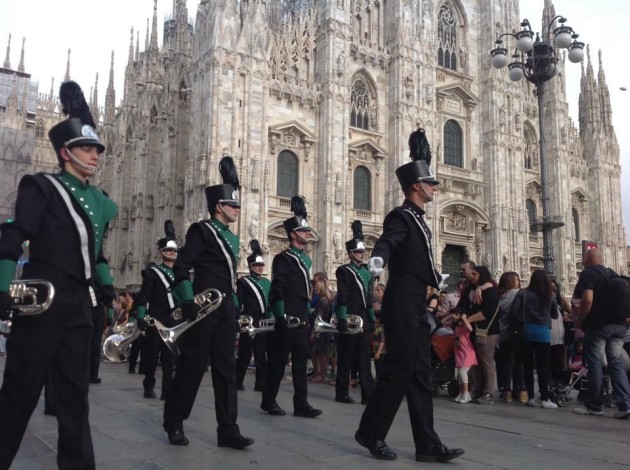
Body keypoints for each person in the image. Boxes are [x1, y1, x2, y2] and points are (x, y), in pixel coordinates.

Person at [0, 81, 117, 469]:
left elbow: (96, 251)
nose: (95, 154)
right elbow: (12, 238)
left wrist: (105, 286)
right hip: (43, 303)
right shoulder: (43, 187)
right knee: (19, 393)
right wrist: (3, 289)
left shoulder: (99, 201)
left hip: (79, 310)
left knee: (74, 400)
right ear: (66, 153)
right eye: (87, 147)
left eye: (97, 148)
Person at [355, 128, 463, 463]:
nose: (435, 187)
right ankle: (370, 433)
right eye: (431, 182)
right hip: (402, 299)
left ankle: (427, 444)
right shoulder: (401, 216)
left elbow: (419, 258)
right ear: (416, 185)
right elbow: (389, 240)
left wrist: (435, 278)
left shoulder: (421, 221)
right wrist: (378, 258)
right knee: (399, 369)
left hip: (416, 299)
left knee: (419, 375)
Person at [163, 155, 254, 449]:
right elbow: (181, 266)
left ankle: (228, 429)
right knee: (192, 365)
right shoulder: (202, 230)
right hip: (203, 310)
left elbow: (228, 274)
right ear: (219, 206)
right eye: (234, 205)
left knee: (226, 368)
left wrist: (235, 304)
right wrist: (188, 300)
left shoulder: (231, 237)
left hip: (225, 308)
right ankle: (174, 421)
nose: (238, 210)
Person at [261, 196, 323, 419]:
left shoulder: (304, 260)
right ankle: (268, 400)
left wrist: (308, 314)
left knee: (299, 364)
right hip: (287, 317)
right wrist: (279, 315)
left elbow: (304, 292)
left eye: (307, 232)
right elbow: (278, 289)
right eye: (303, 231)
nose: (307, 234)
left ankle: (301, 404)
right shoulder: (283, 259)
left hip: (301, 318)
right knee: (278, 363)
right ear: (293, 234)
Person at [572, 248, 630, 419]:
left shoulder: (588, 273)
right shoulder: (612, 274)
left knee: (595, 363)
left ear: (587, 260)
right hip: (619, 326)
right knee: (616, 364)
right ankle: (625, 405)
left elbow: (588, 299)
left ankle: (594, 405)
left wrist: (582, 319)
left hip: (599, 326)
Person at [134, 220, 181, 400]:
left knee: (170, 357)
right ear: (161, 253)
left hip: (174, 319)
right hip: (156, 317)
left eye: (175, 251)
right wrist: (140, 316)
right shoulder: (152, 273)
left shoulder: (180, 273)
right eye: (169, 250)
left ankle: (167, 389)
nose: (172, 253)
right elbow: (144, 296)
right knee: (152, 355)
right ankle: (149, 385)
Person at [334, 220, 375, 405]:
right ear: (351, 254)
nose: (361, 254)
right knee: (345, 357)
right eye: (358, 252)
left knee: (365, 358)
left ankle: (368, 394)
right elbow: (342, 295)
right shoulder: (344, 270)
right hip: (350, 314)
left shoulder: (367, 273)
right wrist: (341, 317)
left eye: (362, 251)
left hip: (363, 317)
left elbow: (369, 298)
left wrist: (372, 319)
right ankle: (341, 393)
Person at [510, 269, 559, 409]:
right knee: (543, 367)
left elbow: (514, 312)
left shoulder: (523, 293)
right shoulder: (550, 295)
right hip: (543, 334)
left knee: (527, 366)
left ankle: (530, 397)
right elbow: (555, 314)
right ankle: (544, 398)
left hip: (526, 333)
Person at [235, 239, 271, 392]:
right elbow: (240, 301)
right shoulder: (244, 282)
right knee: (245, 352)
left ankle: (261, 383)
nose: (260, 268)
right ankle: (237, 381)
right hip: (249, 319)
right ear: (251, 267)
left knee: (261, 353)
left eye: (262, 265)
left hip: (263, 320)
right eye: (257, 265)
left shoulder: (267, 283)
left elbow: (271, 301)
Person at [462, 265, 500, 405]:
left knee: (486, 362)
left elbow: (487, 312)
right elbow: (463, 305)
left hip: (488, 331)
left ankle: (489, 392)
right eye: (470, 273)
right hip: (474, 331)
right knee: (476, 362)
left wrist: (467, 320)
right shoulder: (470, 290)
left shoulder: (491, 291)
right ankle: (478, 389)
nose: (470, 276)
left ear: (481, 275)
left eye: (474, 274)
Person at [497, 271, 526, 404]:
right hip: (517, 331)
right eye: (517, 280)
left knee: (507, 363)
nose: (519, 282)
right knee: (519, 363)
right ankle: (521, 391)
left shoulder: (501, 297)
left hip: (503, 333)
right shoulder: (518, 293)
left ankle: (507, 391)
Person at [450, 307, 477, 404]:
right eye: (453, 314)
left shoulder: (464, 326)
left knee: (462, 373)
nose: (453, 316)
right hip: (459, 354)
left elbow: (470, 329)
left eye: (456, 314)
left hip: (467, 353)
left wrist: (464, 318)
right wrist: (451, 315)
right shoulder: (456, 327)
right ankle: (461, 392)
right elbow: (443, 321)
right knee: (459, 374)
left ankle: (466, 393)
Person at [309, 279, 334, 383]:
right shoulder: (323, 300)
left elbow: (319, 317)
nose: (315, 289)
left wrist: (314, 332)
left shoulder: (322, 301)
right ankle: (319, 373)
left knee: (320, 353)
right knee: (319, 352)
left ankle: (321, 374)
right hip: (323, 329)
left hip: (321, 329)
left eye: (317, 287)